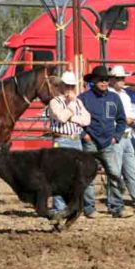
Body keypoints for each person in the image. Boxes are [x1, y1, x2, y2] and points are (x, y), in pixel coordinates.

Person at [79, 65, 132, 218]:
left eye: (105, 80)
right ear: (94, 81)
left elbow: (121, 120)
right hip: (90, 142)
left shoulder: (114, 98)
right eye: (100, 80)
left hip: (109, 142)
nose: (103, 82)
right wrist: (84, 134)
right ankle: (89, 208)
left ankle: (116, 207)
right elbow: (74, 120)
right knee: (88, 176)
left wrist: (116, 136)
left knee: (114, 174)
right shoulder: (83, 98)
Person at [109, 65, 135, 215]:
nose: (121, 80)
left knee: (131, 172)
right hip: (116, 135)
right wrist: (124, 120)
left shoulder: (125, 96)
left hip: (126, 136)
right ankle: (116, 204)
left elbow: (131, 113)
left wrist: (130, 119)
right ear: (112, 79)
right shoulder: (109, 96)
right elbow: (108, 117)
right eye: (119, 78)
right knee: (115, 172)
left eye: (122, 78)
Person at [46, 70, 91, 214]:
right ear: (61, 86)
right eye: (67, 86)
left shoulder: (78, 101)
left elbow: (87, 119)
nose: (69, 89)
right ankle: (59, 207)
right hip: (62, 139)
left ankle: (71, 206)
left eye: (72, 86)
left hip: (75, 139)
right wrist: (71, 108)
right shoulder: (54, 102)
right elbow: (60, 117)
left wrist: (71, 117)